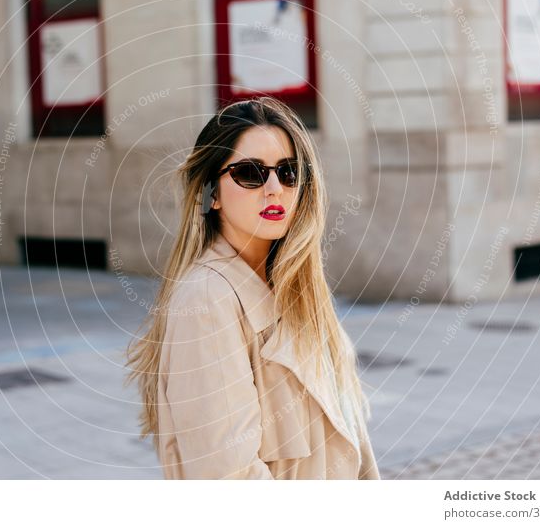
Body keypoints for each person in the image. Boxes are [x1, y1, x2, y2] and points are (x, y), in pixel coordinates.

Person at [125, 96, 380, 480]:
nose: (275, 187)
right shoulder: (207, 300)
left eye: (289, 172)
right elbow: (230, 478)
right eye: (250, 173)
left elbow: (355, 449)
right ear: (212, 193)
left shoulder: (300, 292)